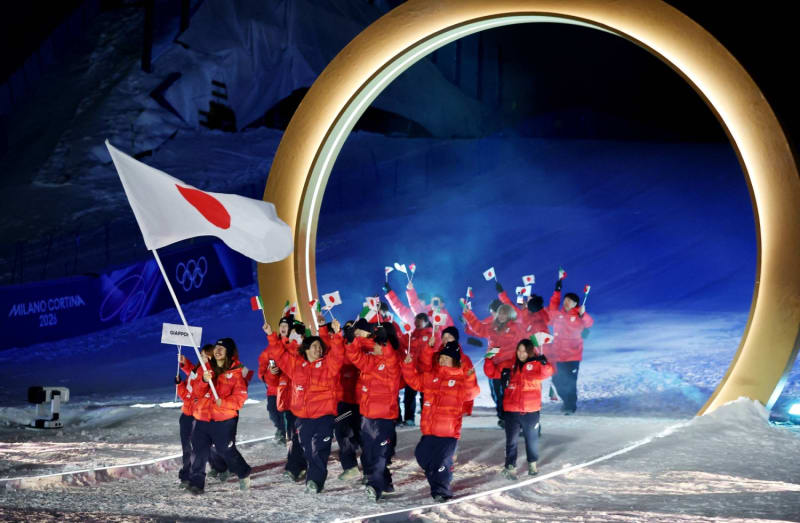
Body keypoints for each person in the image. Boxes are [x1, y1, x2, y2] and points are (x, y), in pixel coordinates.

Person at [264, 319, 345, 494]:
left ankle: (315, 481)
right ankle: (313, 477)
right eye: (314, 346)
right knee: (308, 451)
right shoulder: (296, 366)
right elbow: (279, 355)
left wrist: (338, 335)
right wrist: (271, 335)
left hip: (324, 416)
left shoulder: (328, 365)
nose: (318, 349)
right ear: (306, 349)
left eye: (319, 346)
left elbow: (338, 355)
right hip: (303, 418)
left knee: (321, 450)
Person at [401, 340, 480, 502]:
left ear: (455, 360)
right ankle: (440, 476)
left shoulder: (460, 380)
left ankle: (442, 492)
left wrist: (470, 378)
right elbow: (415, 382)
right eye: (442, 356)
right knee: (421, 455)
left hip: (448, 433)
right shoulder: (432, 377)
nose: (443, 359)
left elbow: (471, 394)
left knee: (440, 463)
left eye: (447, 357)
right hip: (429, 431)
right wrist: (408, 366)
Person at [345, 321, 402, 501]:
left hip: (384, 418)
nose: (375, 346)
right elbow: (355, 356)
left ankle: (375, 486)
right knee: (369, 454)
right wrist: (352, 339)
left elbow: (391, 356)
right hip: (367, 416)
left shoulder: (392, 365)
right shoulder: (371, 362)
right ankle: (386, 483)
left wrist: (384, 342)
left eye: (379, 344)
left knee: (378, 455)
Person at [187, 338, 252, 495]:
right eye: (216, 348)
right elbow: (195, 392)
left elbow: (240, 399)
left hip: (225, 420)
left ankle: (243, 472)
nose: (217, 350)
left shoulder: (236, 373)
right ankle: (197, 483)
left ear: (229, 352)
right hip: (202, 417)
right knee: (199, 451)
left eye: (222, 349)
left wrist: (223, 402)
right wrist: (203, 381)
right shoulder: (206, 368)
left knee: (226, 450)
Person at [484, 338, 554, 479]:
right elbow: (491, 373)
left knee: (531, 439)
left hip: (531, 410)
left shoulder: (536, 365)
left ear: (530, 352)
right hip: (512, 410)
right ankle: (510, 467)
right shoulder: (509, 365)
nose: (521, 354)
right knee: (511, 441)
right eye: (519, 350)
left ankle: (532, 464)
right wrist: (489, 359)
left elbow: (547, 373)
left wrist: (544, 362)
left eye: (524, 351)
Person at [462, 302, 526, 427]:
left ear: (510, 315)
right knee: (497, 393)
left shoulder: (516, 328)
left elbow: (526, 343)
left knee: (509, 393)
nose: (501, 315)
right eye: (500, 313)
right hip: (493, 366)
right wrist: (467, 313)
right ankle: (502, 416)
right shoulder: (492, 326)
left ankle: (510, 418)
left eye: (504, 313)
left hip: (509, 366)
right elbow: (478, 327)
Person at [548, 275, 593, 414]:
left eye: (571, 301)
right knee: (556, 381)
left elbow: (589, 323)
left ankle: (570, 406)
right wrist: (557, 289)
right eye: (566, 300)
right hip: (558, 355)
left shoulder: (579, 315)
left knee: (570, 382)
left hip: (573, 356)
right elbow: (553, 304)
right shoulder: (557, 315)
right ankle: (567, 401)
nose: (567, 302)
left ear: (576, 304)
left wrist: (583, 314)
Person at [175, 344, 214, 489]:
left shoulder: (209, 372)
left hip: (198, 416)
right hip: (186, 413)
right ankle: (185, 476)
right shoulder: (197, 370)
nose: (201, 357)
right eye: (201, 355)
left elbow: (200, 390)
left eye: (204, 355)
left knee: (197, 449)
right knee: (187, 448)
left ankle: (197, 478)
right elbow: (188, 393)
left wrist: (203, 380)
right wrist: (179, 384)